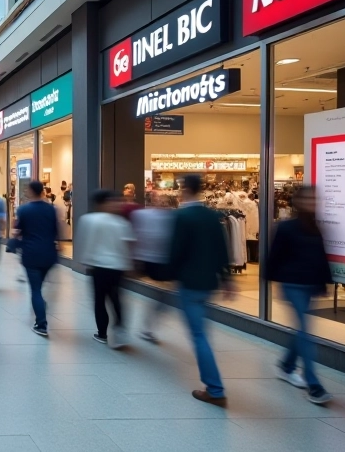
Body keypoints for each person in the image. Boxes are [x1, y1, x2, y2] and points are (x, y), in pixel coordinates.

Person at [168, 174, 235, 407]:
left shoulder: (182, 216)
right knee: (202, 332)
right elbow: (222, 249)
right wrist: (226, 278)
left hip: (190, 283)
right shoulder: (212, 216)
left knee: (199, 336)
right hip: (209, 282)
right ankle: (214, 387)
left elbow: (175, 250)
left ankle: (215, 389)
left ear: (185, 189)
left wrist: (168, 273)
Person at [266, 186, 334, 405]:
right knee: (306, 332)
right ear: (298, 202)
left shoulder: (315, 228)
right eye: (308, 199)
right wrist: (270, 279)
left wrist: (324, 281)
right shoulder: (286, 228)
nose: (312, 203)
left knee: (301, 331)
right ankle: (313, 384)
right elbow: (274, 257)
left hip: (309, 286)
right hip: (292, 285)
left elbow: (321, 257)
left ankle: (286, 366)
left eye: (314, 199)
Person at [75, 190, 136, 348]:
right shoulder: (121, 222)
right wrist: (130, 265)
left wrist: (83, 259)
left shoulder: (89, 220)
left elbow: (83, 241)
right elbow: (128, 245)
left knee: (100, 300)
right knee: (116, 299)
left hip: (99, 267)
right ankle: (120, 330)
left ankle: (102, 333)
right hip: (117, 267)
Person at [14, 181, 59, 337]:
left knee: (35, 290)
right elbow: (56, 231)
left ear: (31, 191)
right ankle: (40, 305)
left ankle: (41, 324)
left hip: (31, 253)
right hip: (48, 254)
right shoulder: (51, 209)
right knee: (39, 287)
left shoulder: (24, 210)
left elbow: (18, 231)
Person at [130, 193, 175, 343]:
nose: (162, 204)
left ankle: (147, 327)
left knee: (163, 295)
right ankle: (144, 327)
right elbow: (136, 235)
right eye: (159, 200)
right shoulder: (142, 215)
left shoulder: (172, 218)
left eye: (165, 201)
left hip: (161, 262)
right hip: (146, 260)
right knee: (162, 295)